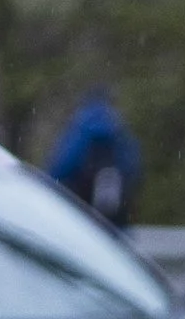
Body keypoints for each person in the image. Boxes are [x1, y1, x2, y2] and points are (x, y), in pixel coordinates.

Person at [48, 91, 143, 228]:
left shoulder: (80, 130)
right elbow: (134, 171)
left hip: (80, 215)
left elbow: (59, 170)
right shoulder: (119, 132)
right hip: (116, 221)